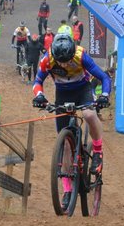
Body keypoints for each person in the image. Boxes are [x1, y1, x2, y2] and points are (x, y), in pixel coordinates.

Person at [32, 34, 112, 210]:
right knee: (66, 146)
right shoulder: (47, 60)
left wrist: (104, 96)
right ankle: (67, 190)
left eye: (67, 61)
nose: (64, 65)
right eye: (61, 62)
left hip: (82, 90)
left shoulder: (81, 55)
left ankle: (97, 151)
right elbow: (37, 81)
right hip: (63, 93)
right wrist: (39, 96)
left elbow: (105, 78)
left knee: (89, 115)